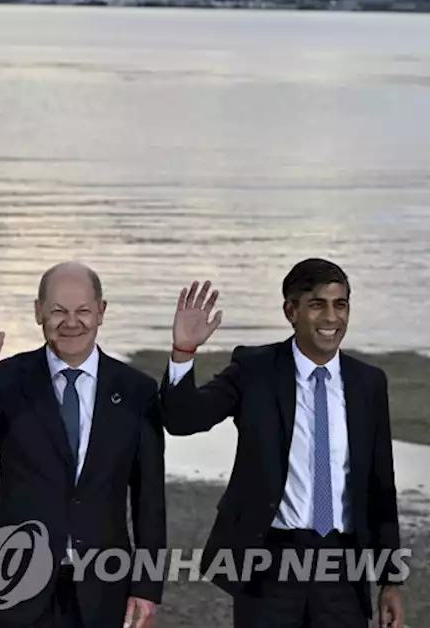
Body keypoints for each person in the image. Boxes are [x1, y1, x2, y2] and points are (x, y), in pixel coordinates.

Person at [162, 260, 405, 628]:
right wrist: (183, 352)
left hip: (342, 566)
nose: (331, 317)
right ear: (291, 311)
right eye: (317, 304)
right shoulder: (255, 370)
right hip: (270, 562)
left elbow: (380, 486)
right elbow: (182, 420)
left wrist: (391, 580)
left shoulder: (368, 383)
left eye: (340, 304)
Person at [0, 261, 166, 628]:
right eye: (58, 311)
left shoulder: (137, 391)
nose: (71, 323)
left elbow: (150, 501)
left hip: (103, 583)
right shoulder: (6, 378)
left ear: (101, 311)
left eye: (83, 311)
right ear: (38, 312)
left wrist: (147, 588)